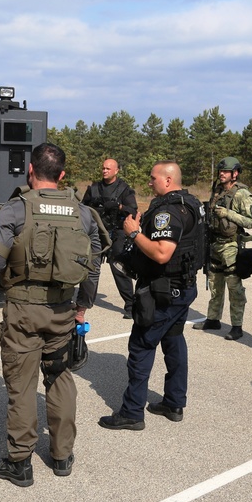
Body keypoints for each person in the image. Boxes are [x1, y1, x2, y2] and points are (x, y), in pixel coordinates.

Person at [0, 143, 100, 487]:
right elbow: (92, 268)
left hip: (22, 311)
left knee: (22, 385)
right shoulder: (83, 213)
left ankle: (20, 462)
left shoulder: (15, 209)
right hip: (63, 310)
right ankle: (62, 456)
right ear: (62, 176)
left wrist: (5, 277)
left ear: (30, 172)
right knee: (60, 378)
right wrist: (82, 307)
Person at [99, 161, 203, 431]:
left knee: (141, 346)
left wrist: (133, 232)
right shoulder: (191, 203)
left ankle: (132, 412)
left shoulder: (168, 211)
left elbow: (161, 253)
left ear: (168, 180)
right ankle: (174, 402)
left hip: (164, 290)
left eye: (153, 178)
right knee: (174, 340)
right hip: (184, 286)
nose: (149, 182)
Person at [193, 157, 252, 341]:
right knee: (214, 283)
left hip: (231, 245)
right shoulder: (218, 190)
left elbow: (251, 221)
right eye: (220, 171)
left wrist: (228, 213)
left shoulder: (242, 194)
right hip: (214, 243)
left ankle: (237, 326)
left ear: (235, 173)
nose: (221, 174)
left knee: (234, 287)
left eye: (225, 171)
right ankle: (213, 319)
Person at [82, 158, 137, 318]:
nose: (104, 171)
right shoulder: (93, 188)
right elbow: (82, 208)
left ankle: (130, 306)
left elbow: (133, 211)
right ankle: (85, 301)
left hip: (117, 233)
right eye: (103, 168)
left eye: (108, 168)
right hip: (97, 232)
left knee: (119, 268)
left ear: (116, 171)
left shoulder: (124, 189)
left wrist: (119, 207)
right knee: (91, 267)